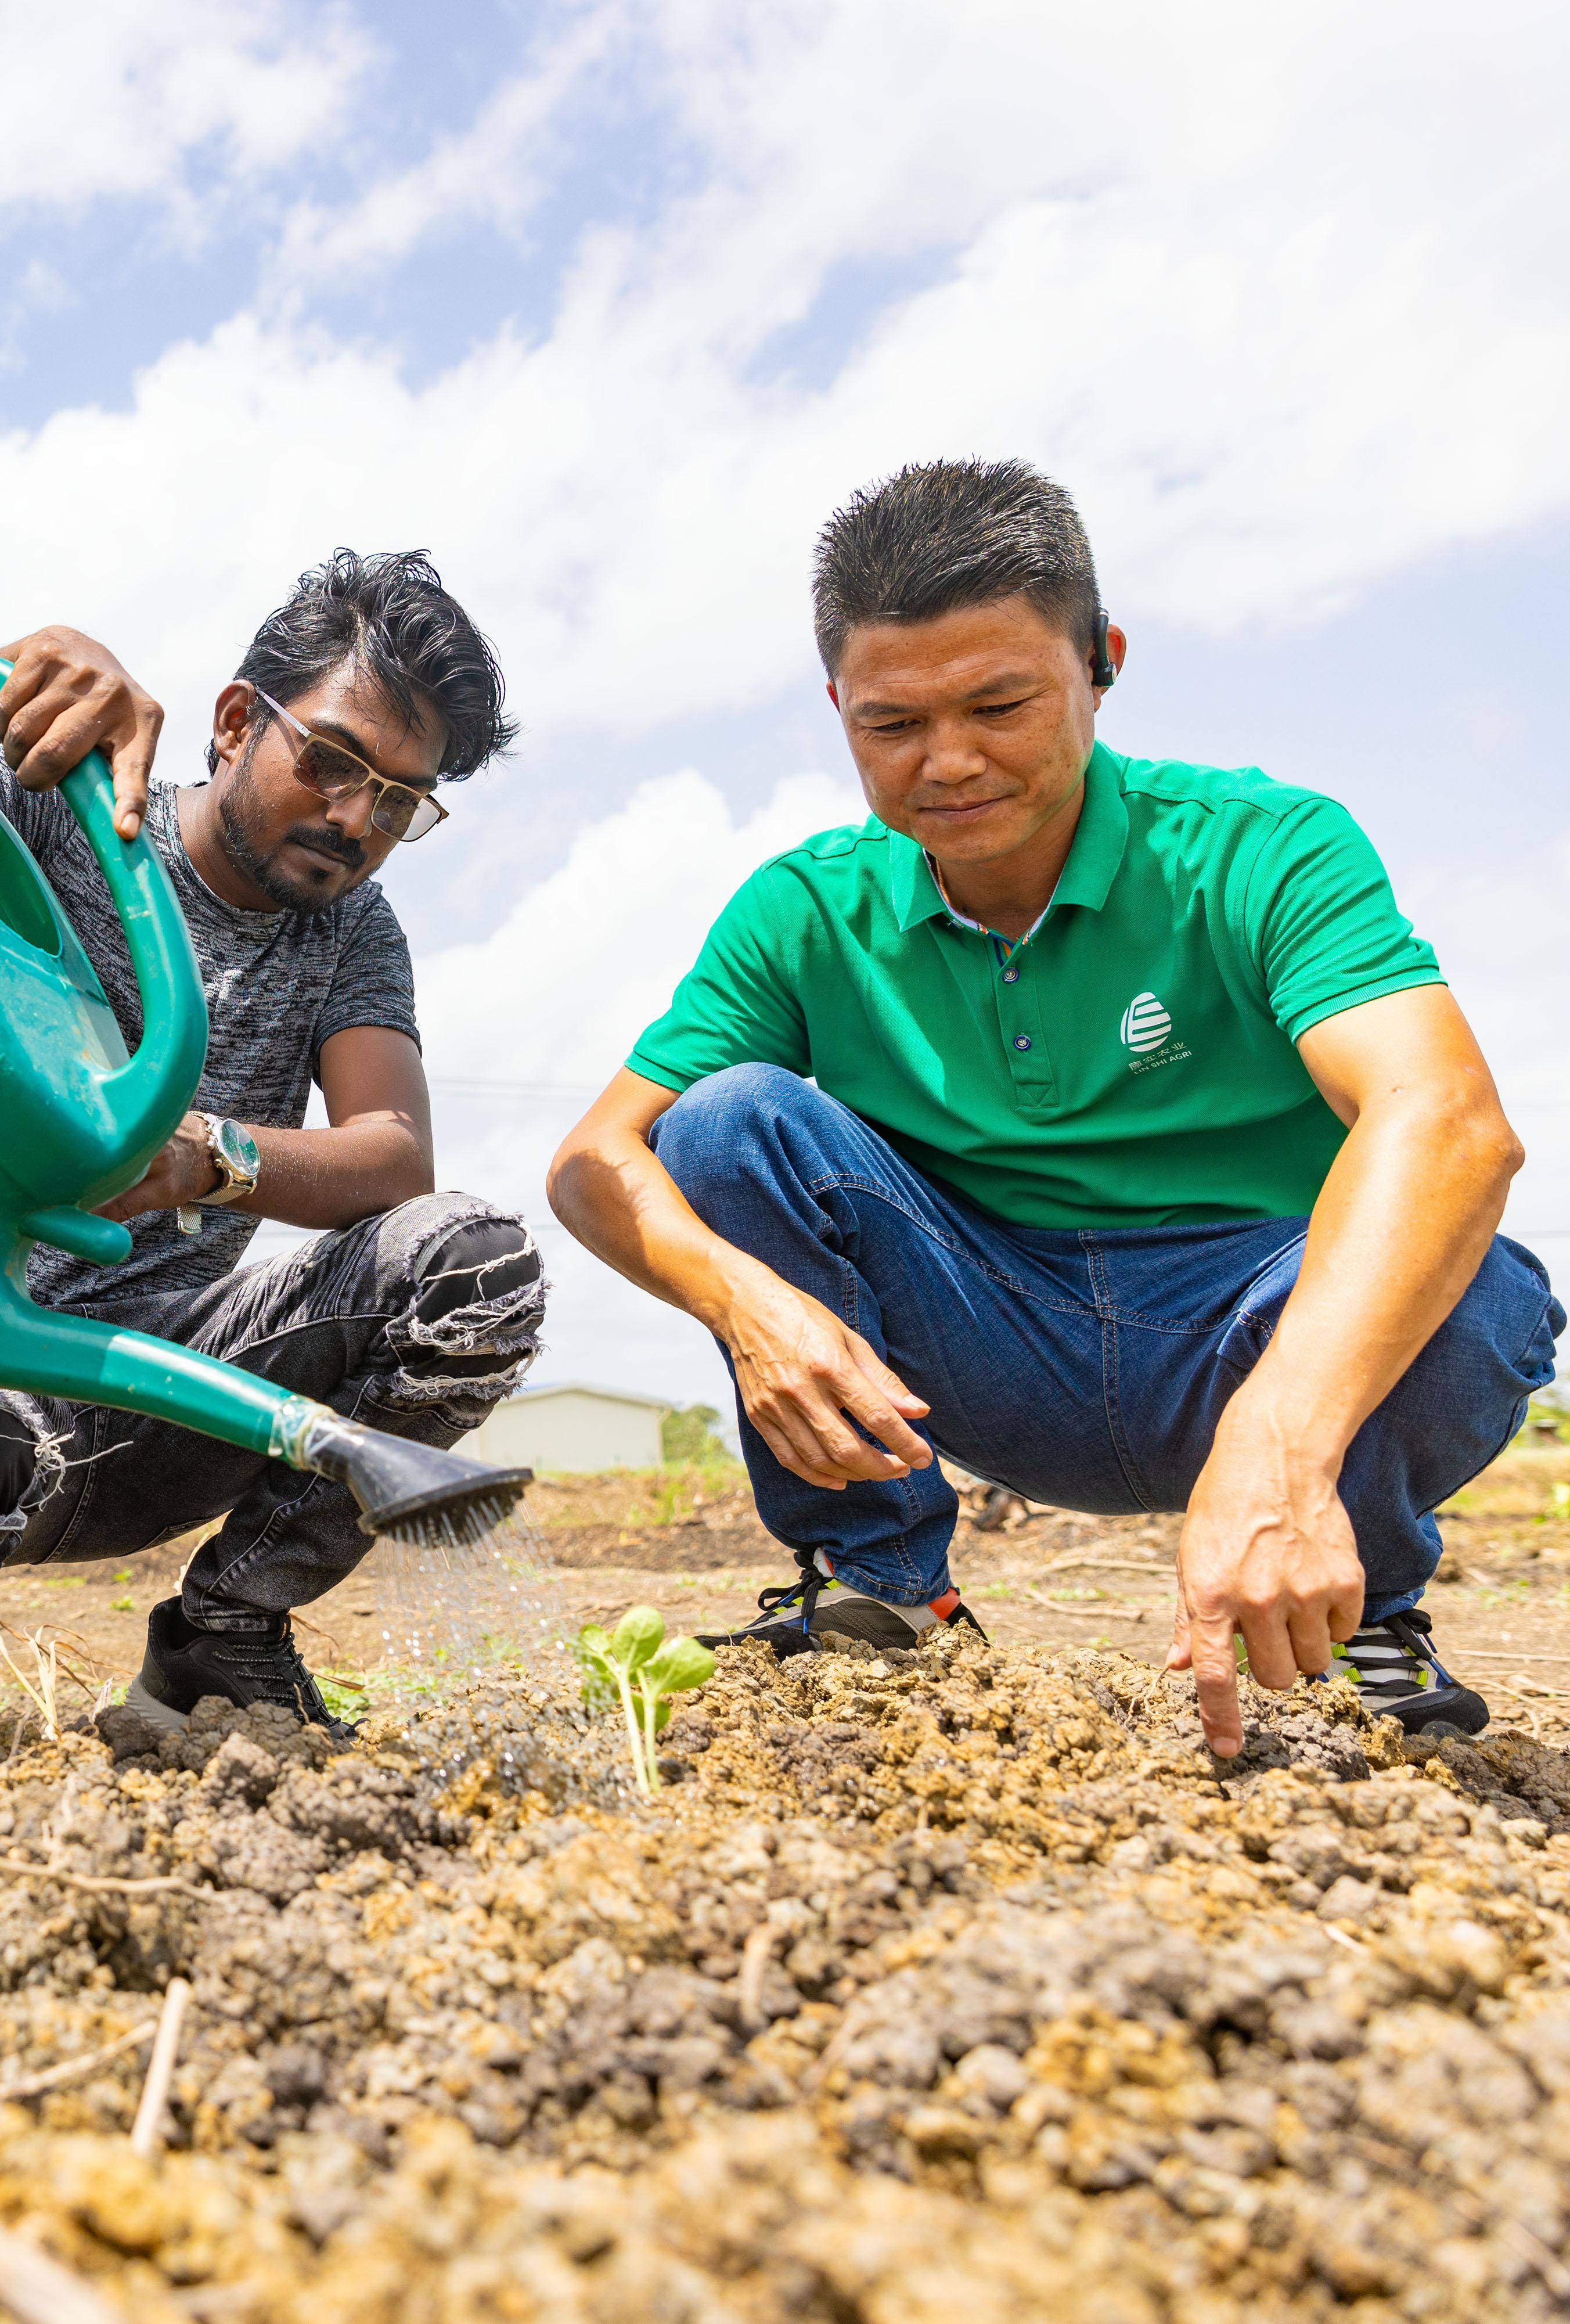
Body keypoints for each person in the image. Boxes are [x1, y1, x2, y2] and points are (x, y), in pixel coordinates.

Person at [546, 459, 1557, 1754]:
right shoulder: (806, 911)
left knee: (1479, 1286)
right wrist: (742, 1305)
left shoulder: (1264, 847)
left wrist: (1284, 1430)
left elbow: (1452, 1122)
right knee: (721, 1123)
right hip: (984, 1338)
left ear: (1102, 663)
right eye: (891, 725)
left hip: (1252, 1321)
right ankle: (881, 1598)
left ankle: (1353, 1615)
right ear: (838, 707)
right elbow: (594, 1160)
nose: (948, 762)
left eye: (1000, 703)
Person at [0, 554, 546, 1764]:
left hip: (172, 1392)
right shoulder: (49, 807)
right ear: (237, 721)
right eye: (331, 763)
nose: (354, 820)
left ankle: (225, 1629)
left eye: (399, 800)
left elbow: (392, 1157)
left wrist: (206, 1158)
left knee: (470, 1268)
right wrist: (7, 682)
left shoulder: (350, 935)